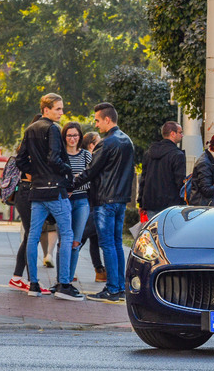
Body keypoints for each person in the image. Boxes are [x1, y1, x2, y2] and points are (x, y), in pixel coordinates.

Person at [15, 93, 83, 301]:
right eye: (58, 109)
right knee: (67, 234)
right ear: (46, 110)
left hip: (37, 191)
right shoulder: (52, 129)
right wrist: (68, 171)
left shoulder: (30, 129)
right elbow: (54, 158)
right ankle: (63, 284)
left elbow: (20, 160)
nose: (61, 113)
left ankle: (33, 284)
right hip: (54, 190)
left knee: (33, 237)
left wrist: (34, 173)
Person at [73, 102, 134, 302]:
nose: (96, 125)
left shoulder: (106, 143)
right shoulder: (127, 141)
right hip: (120, 200)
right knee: (116, 244)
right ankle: (119, 288)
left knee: (107, 244)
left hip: (104, 200)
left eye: (98, 120)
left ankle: (112, 289)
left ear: (107, 119)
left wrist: (70, 184)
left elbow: (91, 171)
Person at [8, 115, 50, 295]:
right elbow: (29, 172)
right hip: (26, 192)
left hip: (28, 193)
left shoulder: (35, 144)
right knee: (32, 235)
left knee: (30, 235)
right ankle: (22, 279)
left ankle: (18, 278)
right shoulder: (33, 146)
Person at [54, 122, 92, 286]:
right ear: (64, 137)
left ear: (80, 136)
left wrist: (74, 182)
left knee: (76, 242)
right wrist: (73, 179)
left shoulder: (86, 156)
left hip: (81, 201)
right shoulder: (60, 156)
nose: (72, 138)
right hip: (62, 201)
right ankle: (60, 280)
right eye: (69, 135)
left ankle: (68, 281)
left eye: (75, 135)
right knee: (63, 242)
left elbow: (91, 179)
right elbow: (55, 178)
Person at [138, 121, 186, 220]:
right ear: (173, 133)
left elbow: (143, 179)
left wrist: (141, 203)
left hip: (150, 203)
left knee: (155, 233)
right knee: (170, 234)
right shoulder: (177, 155)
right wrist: (183, 203)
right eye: (180, 132)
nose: (182, 135)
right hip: (171, 206)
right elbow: (180, 182)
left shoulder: (149, 153)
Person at [78, 131, 106, 282]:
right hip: (88, 202)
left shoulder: (90, 157)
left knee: (93, 237)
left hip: (93, 202)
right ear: (91, 145)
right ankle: (68, 266)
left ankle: (100, 271)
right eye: (98, 141)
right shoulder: (89, 157)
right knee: (81, 237)